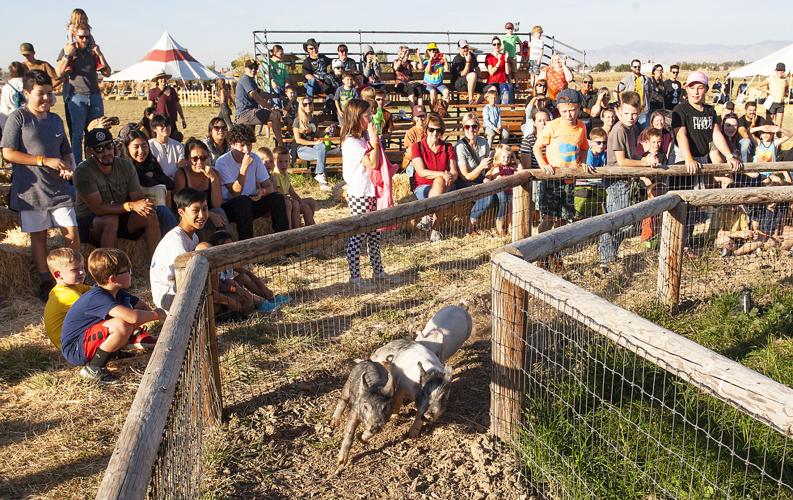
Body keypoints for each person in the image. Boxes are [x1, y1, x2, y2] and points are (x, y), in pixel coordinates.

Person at [1, 70, 79, 300]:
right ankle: (46, 281)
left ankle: (75, 274)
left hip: (59, 190)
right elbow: (8, 153)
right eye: (40, 94)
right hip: (32, 192)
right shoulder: (19, 118)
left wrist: (69, 166)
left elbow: (66, 150)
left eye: (49, 93)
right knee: (39, 237)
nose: (46, 98)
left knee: (72, 232)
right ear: (26, 93)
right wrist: (42, 161)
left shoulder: (55, 119)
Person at [61, 248, 166, 384]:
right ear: (112, 278)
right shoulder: (97, 297)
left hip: (86, 340)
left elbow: (142, 308)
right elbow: (133, 317)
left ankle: (114, 350)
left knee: (125, 320)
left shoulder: (118, 292)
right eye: (127, 271)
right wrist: (157, 314)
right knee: (122, 325)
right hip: (75, 349)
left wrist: (148, 316)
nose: (131, 274)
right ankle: (93, 368)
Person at [74, 128, 163, 258]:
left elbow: (137, 198)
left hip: (120, 214)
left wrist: (144, 204)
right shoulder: (83, 171)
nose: (107, 152)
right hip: (90, 221)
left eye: (109, 146)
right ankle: (109, 269)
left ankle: (157, 264)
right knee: (110, 220)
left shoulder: (125, 166)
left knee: (150, 214)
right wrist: (130, 206)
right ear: (89, 151)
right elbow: (98, 209)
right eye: (100, 149)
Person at [598, 91, 659, 266]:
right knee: (619, 221)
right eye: (626, 113)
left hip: (626, 180)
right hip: (616, 180)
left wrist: (646, 161)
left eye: (634, 113)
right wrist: (645, 163)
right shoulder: (619, 130)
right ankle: (606, 256)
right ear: (618, 112)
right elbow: (622, 161)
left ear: (639, 111)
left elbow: (634, 156)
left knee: (619, 220)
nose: (630, 117)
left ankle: (609, 255)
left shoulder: (633, 129)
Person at [341, 99, 388, 285]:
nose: (370, 118)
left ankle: (378, 271)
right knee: (358, 235)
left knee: (374, 235)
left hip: (371, 191)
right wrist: (375, 142)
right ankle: (355, 277)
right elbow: (372, 163)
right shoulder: (351, 142)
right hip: (359, 192)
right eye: (367, 115)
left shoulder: (361, 138)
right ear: (357, 117)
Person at [214, 125, 288, 240]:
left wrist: (262, 192)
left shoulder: (255, 158)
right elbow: (236, 193)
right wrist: (243, 168)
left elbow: (269, 187)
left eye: (249, 145)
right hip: (231, 206)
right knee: (243, 201)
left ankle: (284, 241)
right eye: (242, 145)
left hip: (252, 201)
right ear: (232, 144)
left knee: (277, 198)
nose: (246, 149)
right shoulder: (222, 162)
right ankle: (246, 245)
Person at [533, 88, 589, 237]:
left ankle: (556, 254)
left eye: (572, 110)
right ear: (558, 109)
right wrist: (543, 165)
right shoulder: (552, 126)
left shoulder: (581, 127)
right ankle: (541, 250)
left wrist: (582, 162)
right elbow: (537, 147)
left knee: (564, 219)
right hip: (552, 179)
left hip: (569, 180)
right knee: (548, 218)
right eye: (564, 111)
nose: (568, 114)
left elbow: (584, 148)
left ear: (578, 108)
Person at [671, 71, 741, 189]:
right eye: (692, 88)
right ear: (686, 89)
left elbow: (716, 134)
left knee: (700, 196)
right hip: (683, 158)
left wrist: (729, 156)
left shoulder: (710, 111)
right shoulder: (680, 109)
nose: (696, 92)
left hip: (702, 159)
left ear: (706, 89)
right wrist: (688, 159)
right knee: (681, 196)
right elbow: (680, 135)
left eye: (700, 88)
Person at [56, 23, 111, 164]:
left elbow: (107, 72)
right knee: (77, 135)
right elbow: (58, 72)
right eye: (81, 37)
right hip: (77, 97)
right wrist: (68, 54)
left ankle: (95, 164)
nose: (85, 40)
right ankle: (78, 167)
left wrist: (100, 53)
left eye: (87, 36)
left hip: (94, 95)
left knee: (97, 131)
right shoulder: (68, 50)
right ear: (75, 36)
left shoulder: (92, 51)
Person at [149, 188, 207, 311]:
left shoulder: (194, 236)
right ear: (181, 212)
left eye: (205, 209)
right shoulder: (176, 241)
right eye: (195, 211)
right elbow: (187, 278)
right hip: (169, 298)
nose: (201, 215)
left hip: (182, 289)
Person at [411, 113, 459, 242]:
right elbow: (421, 172)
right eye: (431, 129)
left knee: (441, 185)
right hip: (423, 187)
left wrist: (450, 177)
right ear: (426, 130)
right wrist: (442, 175)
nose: (434, 133)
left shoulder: (448, 147)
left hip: (447, 184)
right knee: (440, 185)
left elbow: (454, 172)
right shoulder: (417, 147)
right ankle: (435, 229)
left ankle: (428, 216)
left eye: (438, 130)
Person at [174, 138, 231, 240]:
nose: (199, 162)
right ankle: (199, 248)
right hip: (191, 216)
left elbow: (216, 204)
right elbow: (181, 205)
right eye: (194, 159)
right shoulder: (181, 175)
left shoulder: (214, 173)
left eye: (203, 158)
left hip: (207, 215)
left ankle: (227, 243)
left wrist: (213, 178)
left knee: (219, 211)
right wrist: (209, 214)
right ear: (187, 159)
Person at [43, 248, 91, 350]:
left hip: (74, 339)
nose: (82, 272)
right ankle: (96, 364)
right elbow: (96, 309)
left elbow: (98, 291)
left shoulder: (73, 286)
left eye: (83, 268)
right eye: (75, 269)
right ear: (58, 274)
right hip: (73, 347)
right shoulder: (65, 295)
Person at [469, 144, 519, 236]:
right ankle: (500, 227)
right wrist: (490, 180)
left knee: (512, 206)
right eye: (503, 157)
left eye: (508, 157)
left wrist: (515, 159)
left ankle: (511, 228)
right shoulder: (495, 167)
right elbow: (486, 178)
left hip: (510, 191)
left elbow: (521, 170)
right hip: (500, 190)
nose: (506, 159)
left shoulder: (512, 166)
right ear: (498, 157)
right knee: (503, 200)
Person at [264, 146, 316, 228]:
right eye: (280, 162)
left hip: (288, 199)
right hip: (282, 202)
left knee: (311, 202)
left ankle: (309, 226)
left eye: (286, 161)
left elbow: (292, 192)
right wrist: (292, 199)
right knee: (296, 204)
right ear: (273, 162)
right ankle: (294, 228)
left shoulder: (285, 174)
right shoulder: (275, 175)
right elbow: (277, 193)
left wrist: (300, 201)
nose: (284, 164)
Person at [235, 59, 283, 145]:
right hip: (246, 114)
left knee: (246, 144)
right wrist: (271, 108)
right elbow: (255, 95)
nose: (253, 70)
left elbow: (262, 94)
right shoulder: (246, 79)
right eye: (251, 67)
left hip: (247, 114)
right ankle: (280, 145)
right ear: (245, 68)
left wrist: (278, 96)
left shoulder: (250, 81)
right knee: (275, 115)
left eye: (255, 68)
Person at [293, 96, 334, 191]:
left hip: (313, 146)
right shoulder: (297, 120)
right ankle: (322, 181)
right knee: (321, 152)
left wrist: (326, 131)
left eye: (310, 103)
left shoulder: (314, 119)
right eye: (305, 104)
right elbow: (298, 140)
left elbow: (317, 134)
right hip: (301, 148)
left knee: (322, 147)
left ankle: (320, 175)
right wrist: (314, 143)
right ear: (301, 106)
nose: (308, 106)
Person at [573, 127, 608, 219]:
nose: (601, 145)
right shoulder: (588, 154)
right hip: (584, 187)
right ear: (591, 143)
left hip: (596, 187)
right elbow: (589, 173)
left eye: (604, 142)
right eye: (598, 142)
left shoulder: (603, 154)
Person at [455, 112, 491, 189]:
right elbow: (465, 177)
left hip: (481, 179)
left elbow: (489, 167)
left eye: (474, 126)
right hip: (466, 184)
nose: (471, 130)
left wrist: (487, 178)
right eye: (467, 127)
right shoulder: (460, 147)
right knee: (489, 195)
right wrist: (480, 167)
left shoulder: (483, 141)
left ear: (478, 128)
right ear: (463, 129)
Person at [147, 71, 186, 141]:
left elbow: (178, 106)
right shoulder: (153, 91)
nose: (163, 80)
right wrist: (150, 122)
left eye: (164, 78)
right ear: (157, 80)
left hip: (172, 122)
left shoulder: (172, 90)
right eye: (161, 78)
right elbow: (149, 109)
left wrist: (183, 119)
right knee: (162, 141)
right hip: (160, 123)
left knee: (175, 140)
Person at [616, 59, 652, 127]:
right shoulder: (626, 80)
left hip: (643, 111)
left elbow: (650, 92)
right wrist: (621, 104)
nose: (637, 68)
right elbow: (616, 92)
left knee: (643, 130)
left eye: (639, 66)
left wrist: (647, 101)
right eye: (635, 67)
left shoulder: (646, 79)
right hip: (630, 111)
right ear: (631, 67)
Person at [147, 114, 184, 178]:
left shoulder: (178, 145)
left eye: (167, 125)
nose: (165, 128)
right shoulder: (149, 145)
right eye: (162, 126)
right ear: (154, 128)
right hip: (157, 180)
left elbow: (181, 165)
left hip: (175, 179)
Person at [450, 40, 484, 104]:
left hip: (472, 82)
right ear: (459, 49)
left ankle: (477, 103)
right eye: (463, 48)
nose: (465, 49)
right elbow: (463, 74)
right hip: (460, 84)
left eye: (466, 47)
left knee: (491, 88)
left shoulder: (472, 56)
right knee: (473, 75)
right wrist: (468, 62)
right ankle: (471, 100)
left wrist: (480, 77)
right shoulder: (457, 59)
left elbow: (477, 68)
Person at [756, 63, 789, 128]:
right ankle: (769, 138)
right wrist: (768, 91)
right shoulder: (770, 79)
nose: (780, 72)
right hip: (772, 103)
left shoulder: (785, 80)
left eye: (782, 71)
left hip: (781, 104)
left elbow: (786, 89)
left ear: (784, 72)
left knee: (779, 126)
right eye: (779, 70)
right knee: (769, 124)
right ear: (775, 71)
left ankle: (779, 138)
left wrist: (785, 96)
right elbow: (758, 86)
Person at [0, 62, 28, 130]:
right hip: (29, 120)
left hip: (11, 121)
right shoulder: (30, 84)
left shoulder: (6, 87)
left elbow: (4, 109)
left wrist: (4, 128)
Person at [486, 37, 513, 104]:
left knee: (508, 88)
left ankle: (511, 109)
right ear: (492, 45)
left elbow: (507, 72)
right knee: (495, 93)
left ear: (500, 45)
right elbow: (491, 72)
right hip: (492, 83)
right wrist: (499, 62)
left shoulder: (504, 56)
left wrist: (506, 60)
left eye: (498, 44)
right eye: (494, 44)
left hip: (502, 82)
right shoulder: (489, 56)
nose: (496, 46)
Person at [402, 105, 427, 171]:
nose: (420, 119)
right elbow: (410, 152)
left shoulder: (430, 130)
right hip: (413, 160)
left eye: (422, 116)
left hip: (427, 158)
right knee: (411, 169)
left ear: (426, 116)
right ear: (414, 118)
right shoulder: (410, 132)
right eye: (418, 116)